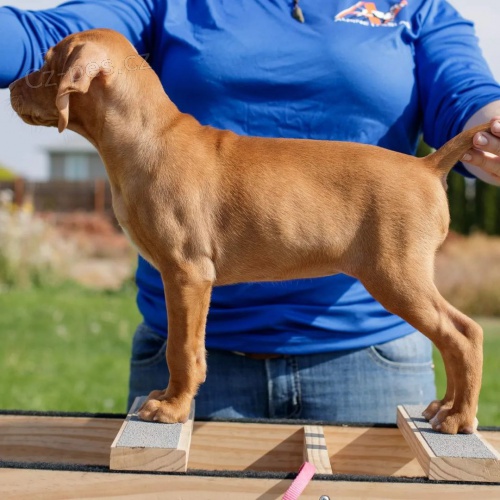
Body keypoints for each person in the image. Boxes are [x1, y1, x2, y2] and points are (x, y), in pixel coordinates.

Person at [2, 0, 500, 423]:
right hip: (211, 359)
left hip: (372, 352)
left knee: (411, 298)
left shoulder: (416, 6)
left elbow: (467, 95)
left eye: (49, 72)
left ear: (82, 79)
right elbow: (42, 34)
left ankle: (181, 391)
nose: (32, 83)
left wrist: (490, 127)